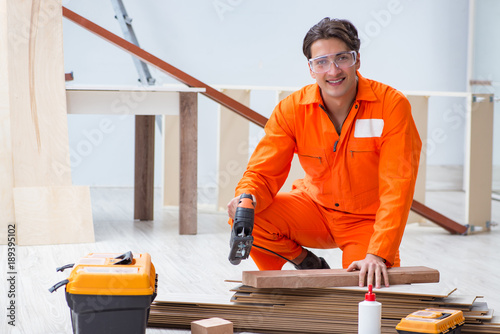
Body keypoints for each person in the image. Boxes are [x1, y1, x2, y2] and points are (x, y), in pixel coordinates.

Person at [227, 17, 421, 289]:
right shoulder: (292, 109)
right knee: (247, 215)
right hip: (314, 209)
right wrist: (246, 197)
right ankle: (302, 263)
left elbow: (397, 187)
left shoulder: (390, 106)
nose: (333, 70)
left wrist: (378, 252)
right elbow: (263, 171)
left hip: (366, 222)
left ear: (358, 60)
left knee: (364, 288)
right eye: (321, 62)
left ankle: (367, 263)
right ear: (311, 68)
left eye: (342, 58)